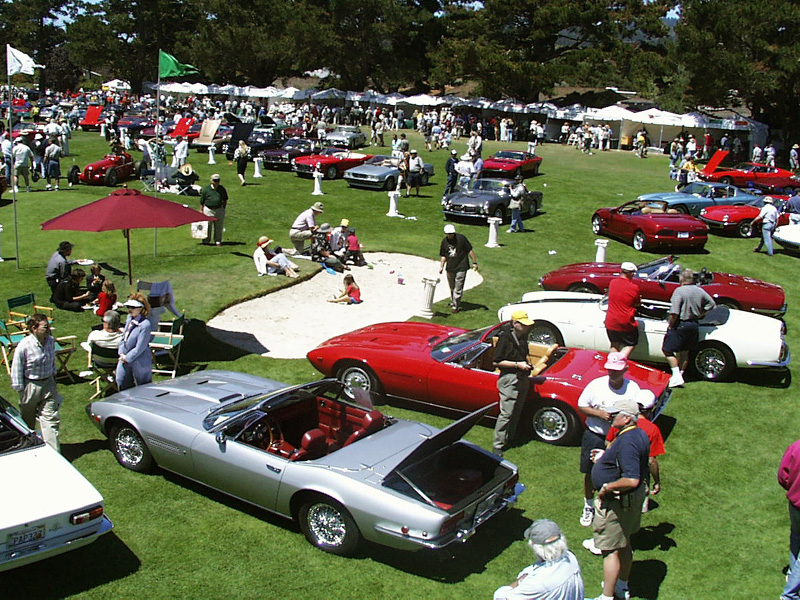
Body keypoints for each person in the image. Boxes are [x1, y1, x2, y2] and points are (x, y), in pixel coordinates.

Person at [585, 398, 649, 600]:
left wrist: (607, 487)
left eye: (615, 414)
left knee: (610, 550)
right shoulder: (637, 434)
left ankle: (607, 596)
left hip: (617, 502)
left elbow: (631, 479)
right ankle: (622, 585)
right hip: (629, 501)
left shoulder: (628, 441)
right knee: (624, 541)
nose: (610, 416)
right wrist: (605, 457)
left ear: (627, 418)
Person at [577, 352, 641, 528]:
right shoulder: (596, 385)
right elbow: (582, 405)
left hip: (621, 439)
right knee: (590, 472)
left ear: (625, 370)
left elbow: (637, 412)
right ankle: (588, 505)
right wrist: (599, 414)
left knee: (620, 470)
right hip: (595, 435)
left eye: (617, 370)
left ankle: (613, 504)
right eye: (610, 370)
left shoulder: (633, 388)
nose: (612, 373)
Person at [605, 390, 664, 515]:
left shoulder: (621, 421)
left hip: (616, 471)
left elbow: (608, 443)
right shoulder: (652, 429)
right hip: (638, 475)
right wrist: (657, 481)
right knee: (637, 509)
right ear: (651, 409)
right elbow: (651, 460)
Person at [493, 519, 584, 600]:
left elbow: (500, 597)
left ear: (536, 547)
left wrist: (519, 581)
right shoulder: (570, 557)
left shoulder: (538, 583)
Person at [10, 314, 63, 451]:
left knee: (51, 420)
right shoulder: (24, 345)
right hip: (31, 386)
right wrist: (21, 390)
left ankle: (54, 453)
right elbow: (16, 367)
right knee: (28, 423)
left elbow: (52, 360)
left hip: (48, 384)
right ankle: (29, 449)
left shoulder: (50, 341)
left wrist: (53, 376)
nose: (48, 329)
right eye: (45, 327)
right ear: (34, 328)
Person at [662, 269, 716, 388]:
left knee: (667, 349)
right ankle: (681, 375)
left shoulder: (679, 291)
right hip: (693, 324)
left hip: (680, 324)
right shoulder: (699, 291)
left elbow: (674, 312)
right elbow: (711, 304)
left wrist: (671, 325)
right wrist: (701, 314)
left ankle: (676, 375)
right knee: (685, 352)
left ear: (681, 279)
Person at [492, 309, 535, 457]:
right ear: (515, 323)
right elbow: (496, 361)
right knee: (507, 413)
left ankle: (510, 437)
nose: (527, 327)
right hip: (509, 379)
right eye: (523, 324)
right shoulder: (505, 339)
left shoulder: (522, 337)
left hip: (522, 378)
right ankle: (498, 445)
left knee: (517, 410)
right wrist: (517, 365)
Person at [116, 294, 153, 391]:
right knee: (121, 381)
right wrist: (121, 352)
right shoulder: (129, 318)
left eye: (133, 307)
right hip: (124, 357)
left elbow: (140, 347)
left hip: (140, 360)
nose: (130, 309)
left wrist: (127, 358)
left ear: (141, 308)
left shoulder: (145, 325)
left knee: (143, 388)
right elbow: (124, 336)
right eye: (129, 307)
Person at [604, 262, 641, 358]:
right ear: (632, 274)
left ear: (621, 271)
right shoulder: (634, 287)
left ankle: (612, 362)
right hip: (626, 322)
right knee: (630, 344)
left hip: (611, 321)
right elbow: (637, 303)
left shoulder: (613, 283)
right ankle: (620, 361)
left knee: (614, 344)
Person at [438, 224, 478, 313]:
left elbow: (470, 250)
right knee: (452, 287)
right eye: (449, 234)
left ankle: (455, 306)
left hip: (461, 266)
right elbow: (443, 255)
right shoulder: (444, 242)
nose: (450, 235)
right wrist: (441, 266)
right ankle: (453, 301)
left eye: (452, 233)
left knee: (458, 288)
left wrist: (474, 262)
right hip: (450, 267)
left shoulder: (461, 239)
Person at [779, 439, 800, 600]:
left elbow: (783, 475)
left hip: (795, 504)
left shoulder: (796, 446)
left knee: (796, 536)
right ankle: (790, 594)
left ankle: (793, 573)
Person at [200, 173, 228, 246]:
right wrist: (201, 211)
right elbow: (202, 201)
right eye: (215, 180)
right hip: (208, 209)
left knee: (219, 226)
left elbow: (225, 199)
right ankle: (206, 240)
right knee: (207, 226)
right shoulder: (207, 189)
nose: (216, 182)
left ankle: (218, 240)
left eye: (217, 180)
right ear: (211, 181)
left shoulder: (222, 189)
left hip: (219, 209)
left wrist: (223, 208)